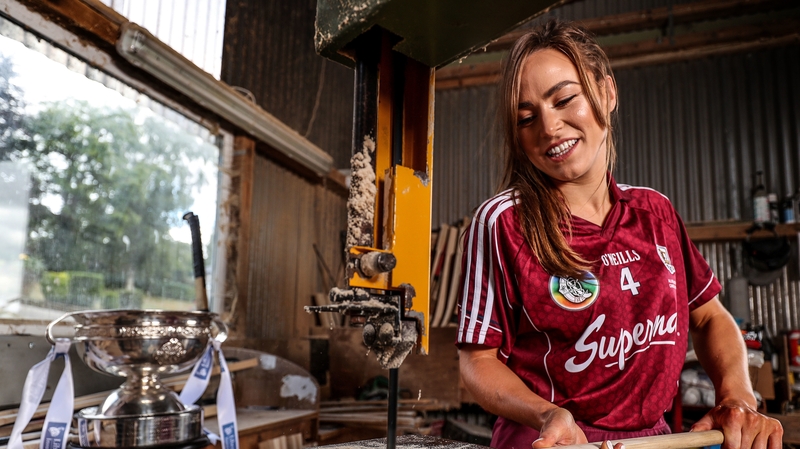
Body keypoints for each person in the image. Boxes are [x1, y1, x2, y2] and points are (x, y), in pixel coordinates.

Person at [455, 20, 783, 449]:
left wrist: (738, 396)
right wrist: (549, 414)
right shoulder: (502, 223)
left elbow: (709, 317)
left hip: (657, 442)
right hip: (553, 442)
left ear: (607, 94)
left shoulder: (655, 212)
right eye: (527, 118)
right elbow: (477, 360)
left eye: (565, 99)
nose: (549, 128)